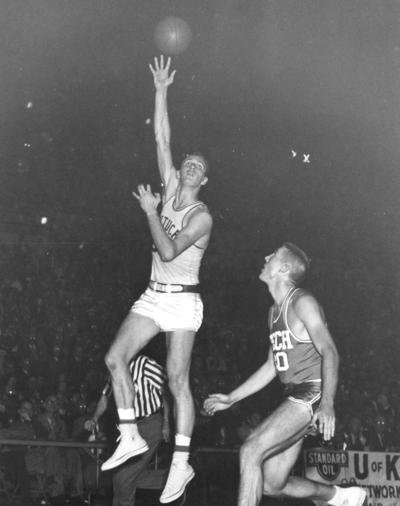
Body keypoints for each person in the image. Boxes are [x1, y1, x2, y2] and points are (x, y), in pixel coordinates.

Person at [102, 55, 213, 504]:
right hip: (154, 294)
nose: (188, 165)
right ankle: (129, 434)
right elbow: (161, 134)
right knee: (114, 359)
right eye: (187, 160)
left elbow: (168, 250)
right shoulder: (168, 185)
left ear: (204, 179)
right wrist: (162, 89)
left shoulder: (202, 216)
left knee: (176, 380)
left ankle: (181, 463)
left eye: (197, 165)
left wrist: (150, 214)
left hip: (184, 302)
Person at [204, 243, 366, 506]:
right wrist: (232, 398)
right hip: (293, 396)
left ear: (284, 268)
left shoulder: (303, 302)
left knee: (250, 450)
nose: (266, 256)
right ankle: (340, 496)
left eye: (273, 255)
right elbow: (271, 365)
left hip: (310, 394)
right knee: (271, 484)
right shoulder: (273, 312)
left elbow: (331, 352)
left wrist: (327, 404)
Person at [85, 355, 170, 506]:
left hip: (150, 422)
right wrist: (94, 418)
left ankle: (171, 479)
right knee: (121, 475)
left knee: (124, 476)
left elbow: (166, 391)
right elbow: (105, 397)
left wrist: (166, 422)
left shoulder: (144, 364)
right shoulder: (116, 369)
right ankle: (170, 479)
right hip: (129, 428)